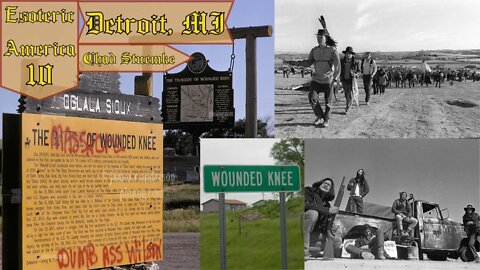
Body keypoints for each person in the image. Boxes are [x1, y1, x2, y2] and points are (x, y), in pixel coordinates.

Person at [302, 29, 340, 127]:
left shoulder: (332, 50)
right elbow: (308, 62)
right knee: (312, 98)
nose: (319, 39)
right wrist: (294, 63)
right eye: (317, 37)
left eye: (321, 37)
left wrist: (335, 79)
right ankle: (319, 116)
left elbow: (337, 66)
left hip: (328, 81)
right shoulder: (314, 50)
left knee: (328, 102)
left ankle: (327, 119)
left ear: (325, 38)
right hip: (316, 80)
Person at [304, 178, 340, 258]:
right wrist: (328, 210)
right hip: (302, 229)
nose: (326, 185)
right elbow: (306, 204)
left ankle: (309, 250)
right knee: (313, 213)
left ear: (330, 189)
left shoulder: (327, 204)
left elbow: (322, 224)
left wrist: (330, 228)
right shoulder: (308, 190)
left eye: (329, 185)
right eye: (325, 183)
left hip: (313, 234)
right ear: (320, 183)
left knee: (337, 240)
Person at [340, 46, 359, 114]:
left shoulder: (355, 63)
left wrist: (355, 75)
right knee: (346, 94)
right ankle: (348, 104)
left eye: (350, 54)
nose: (348, 55)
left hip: (351, 81)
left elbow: (358, 72)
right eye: (347, 53)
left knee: (350, 95)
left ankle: (348, 107)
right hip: (344, 80)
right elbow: (339, 70)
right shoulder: (341, 61)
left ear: (352, 54)